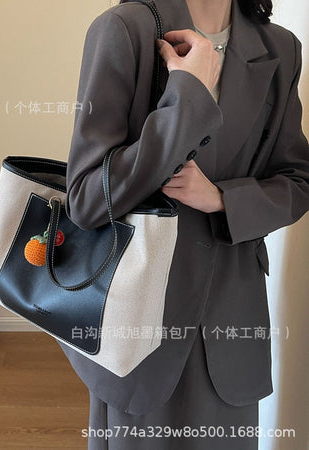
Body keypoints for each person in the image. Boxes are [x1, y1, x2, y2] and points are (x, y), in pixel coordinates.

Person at [58, 0, 309, 448]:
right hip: (141, 320)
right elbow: (87, 199)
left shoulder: (280, 47)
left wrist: (224, 199)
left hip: (232, 317)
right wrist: (187, 98)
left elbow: (297, 181)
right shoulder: (124, 29)